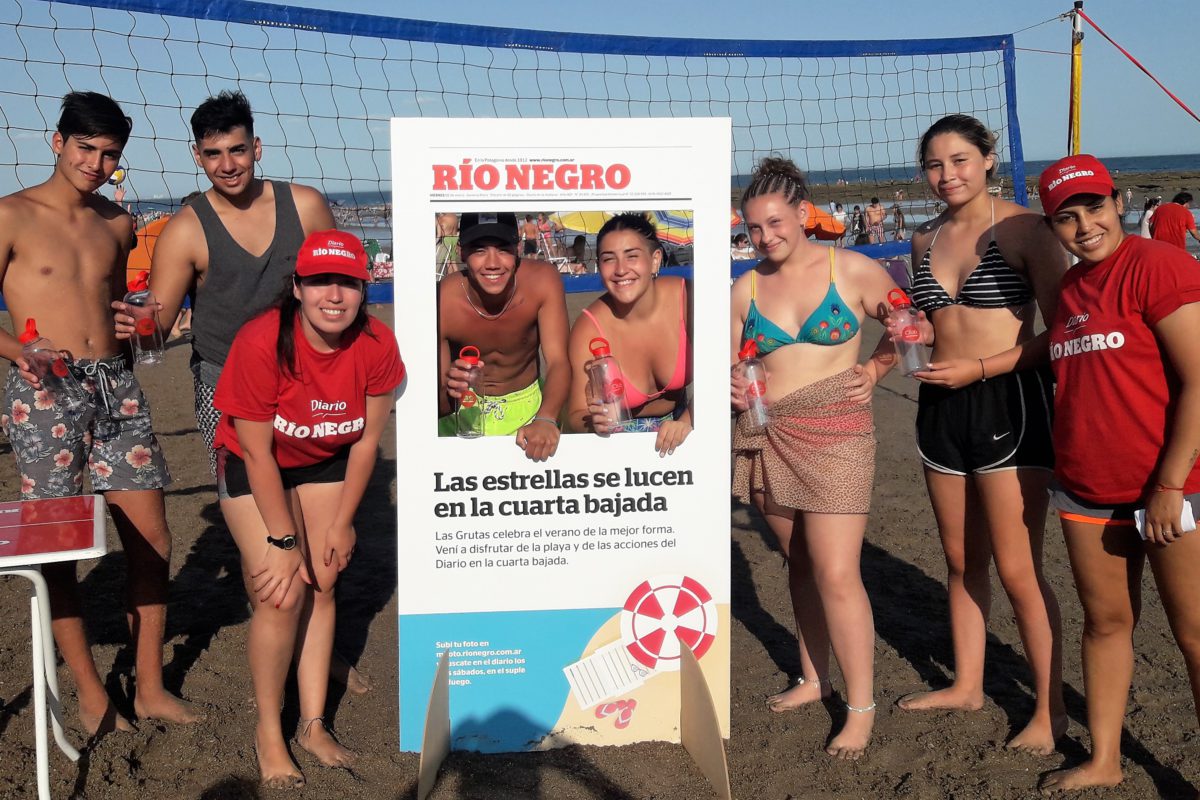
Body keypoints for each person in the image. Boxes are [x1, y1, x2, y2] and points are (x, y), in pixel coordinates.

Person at [111, 91, 369, 694]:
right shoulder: (185, 229)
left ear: (256, 147)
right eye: (212, 154)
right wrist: (135, 325)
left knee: (316, 538)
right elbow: (162, 319)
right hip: (225, 388)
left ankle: (319, 651)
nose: (227, 164)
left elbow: (336, 286)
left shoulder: (304, 204)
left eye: (236, 150)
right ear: (197, 157)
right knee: (270, 548)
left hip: (307, 385)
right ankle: (283, 657)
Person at [0, 91, 200, 733]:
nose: (96, 162)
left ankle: (148, 687)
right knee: (58, 548)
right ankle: (90, 694)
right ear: (56, 142)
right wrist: (18, 349)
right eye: (85, 147)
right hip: (43, 393)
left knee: (153, 539)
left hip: (117, 387)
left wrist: (145, 326)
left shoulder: (119, 223)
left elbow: (123, 316)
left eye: (109, 153)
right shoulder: (11, 215)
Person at [899, 114, 1068, 754]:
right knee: (962, 560)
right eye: (936, 165)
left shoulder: (1025, 228)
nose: (948, 176)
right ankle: (968, 683)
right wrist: (910, 335)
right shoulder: (923, 239)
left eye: (961, 160)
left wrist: (980, 366)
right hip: (940, 407)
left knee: (1020, 570)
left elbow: (1061, 333)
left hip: (1010, 401)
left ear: (989, 159)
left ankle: (1048, 714)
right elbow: (927, 321)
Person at [212, 229, 402, 789]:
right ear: (297, 287)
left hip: (322, 463)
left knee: (324, 580)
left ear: (365, 289)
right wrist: (281, 539)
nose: (334, 295)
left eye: (347, 282)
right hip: (255, 463)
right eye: (321, 281)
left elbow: (367, 443)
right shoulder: (260, 340)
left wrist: (342, 523)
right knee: (282, 591)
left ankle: (313, 723)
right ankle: (269, 729)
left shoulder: (376, 344)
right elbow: (255, 449)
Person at [1035, 154, 1200, 793]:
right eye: (1066, 218)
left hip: (1169, 486)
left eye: (1095, 208)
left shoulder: (1159, 265)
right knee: (1105, 624)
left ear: (1120, 200)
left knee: (1193, 636)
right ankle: (1104, 760)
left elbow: (1197, 382)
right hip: (1086, 487)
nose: (1084, 226)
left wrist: (1167, 486)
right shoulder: (1072, 289)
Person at [729, 157, 901, 760]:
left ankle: (860, 708)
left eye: (775, 222)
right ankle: (812, 676)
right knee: (798, 562)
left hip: (838, 431)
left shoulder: (851, 268)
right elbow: (735, 362)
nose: (766, 236)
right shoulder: (745, 287)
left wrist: (877, 368)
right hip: (767, 432)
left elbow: (910, 321)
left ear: (803, 214)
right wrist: (732, 383)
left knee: (835, 572)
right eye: (754, 229)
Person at [437, 212, 570, 460]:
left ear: (518, 248)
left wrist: (546, 417)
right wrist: (452, 390)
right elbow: (437, 405)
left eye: (503, 249)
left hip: (529, 408)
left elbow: (559, 361)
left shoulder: (542, 280)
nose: (492, 263)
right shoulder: (443, 300)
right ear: (461, 252)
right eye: (479, 250)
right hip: (463, 412)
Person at [567, 213, 692, 452]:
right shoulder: (588, 327)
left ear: (655, 260)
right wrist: (594, 423)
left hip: (683, 424)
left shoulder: (688, 298)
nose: (621, 270)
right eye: (608, 259)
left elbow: (723, 376)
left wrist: (687, 419)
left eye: (632, 256)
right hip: (618, 444)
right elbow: (574, 414)